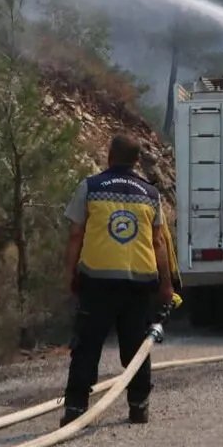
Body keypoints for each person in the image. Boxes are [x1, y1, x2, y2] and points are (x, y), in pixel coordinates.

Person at [60, 134, 176, 426]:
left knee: (87, 344)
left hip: (97, 280)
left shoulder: (90, 187)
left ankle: (75, 409)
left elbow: (76, 234)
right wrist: (166, 285)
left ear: (109, 155)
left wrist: (70, 273)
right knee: (136, 345)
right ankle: (138, 406)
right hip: (139, 282)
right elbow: (159, 242)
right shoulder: (150, 193)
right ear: (137, 161)